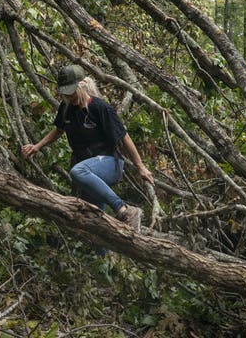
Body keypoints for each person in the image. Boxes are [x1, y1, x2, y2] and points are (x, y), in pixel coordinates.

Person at [21, 64, 154, 231]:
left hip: (110, 164)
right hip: (88, 169)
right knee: (95, 221)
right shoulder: (67, 108)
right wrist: (37, 146)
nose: (70, 96)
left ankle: (125, 210)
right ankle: (103, 254)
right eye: (66, 92)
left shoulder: (100, 108)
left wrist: (140, 167)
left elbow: (124, 137)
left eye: (72, 91)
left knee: (78, 171)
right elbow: (58, 130)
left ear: (82, 84)